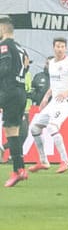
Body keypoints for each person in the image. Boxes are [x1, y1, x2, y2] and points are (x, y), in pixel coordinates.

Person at [26, 38, 68, 173]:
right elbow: (54, 84)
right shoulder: (51, 64)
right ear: (53, 48)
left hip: (67, 102)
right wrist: (46, 97)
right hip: (54, 101)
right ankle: (44, 161)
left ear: (66, 48)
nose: (60, 49)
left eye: (62, 46)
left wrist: (66, 92)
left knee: (51, 126)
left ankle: (66, 161)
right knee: (34, 127)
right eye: (58, 46)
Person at [0, 18, 29, 187]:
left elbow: (4, 68)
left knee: (11, 131)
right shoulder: (20, 48)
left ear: (3, 28)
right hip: (20, 92)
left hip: (9, 92)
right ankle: (19, 170)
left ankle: (18, 170)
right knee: (13, 132)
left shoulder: (5, 45)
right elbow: (25, 68)